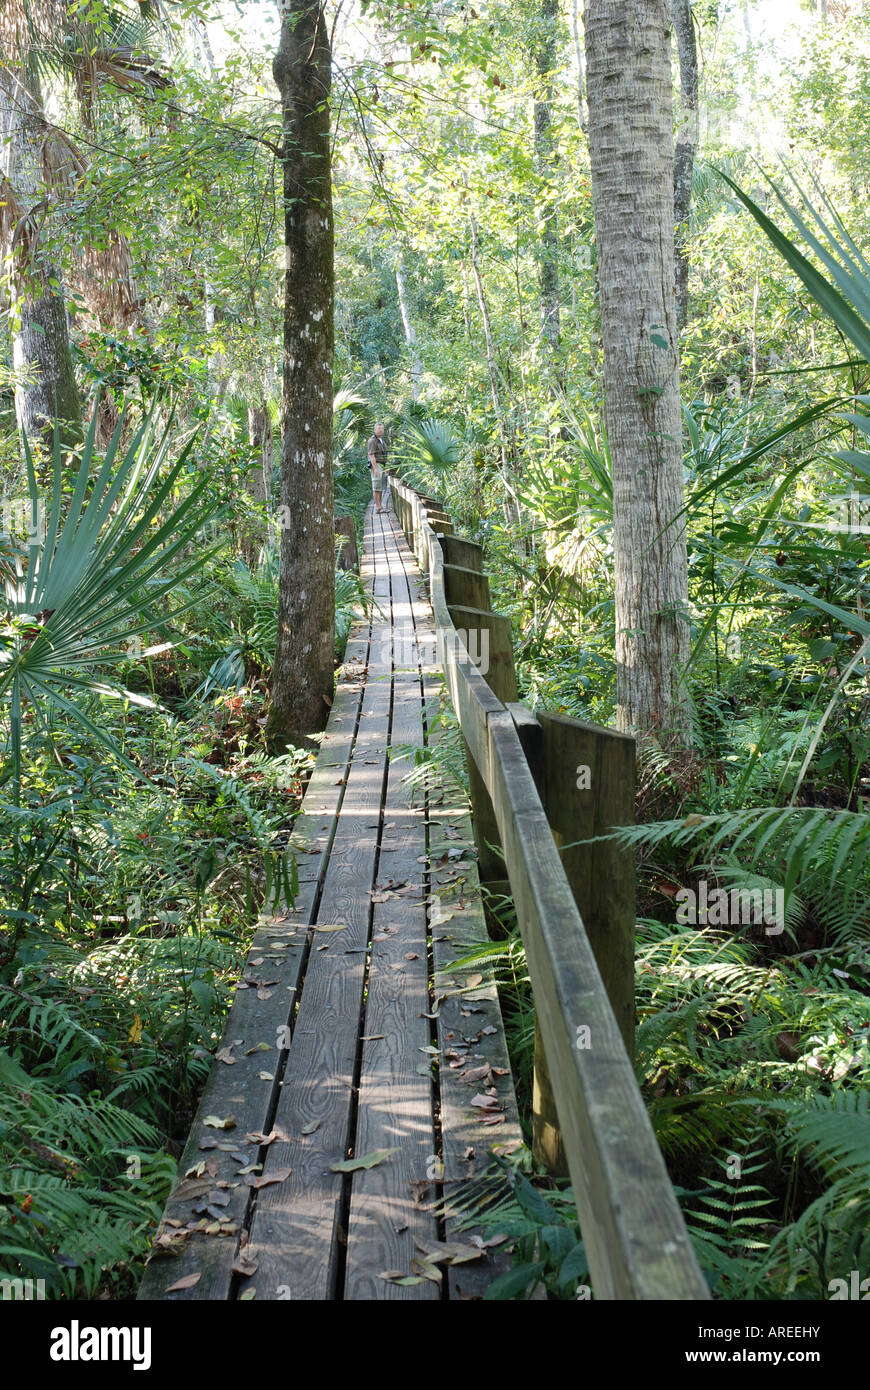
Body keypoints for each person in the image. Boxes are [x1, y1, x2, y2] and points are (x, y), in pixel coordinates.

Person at [367, 421, 389, 512]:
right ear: (374, 430)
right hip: (376, 465)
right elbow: (371, 455)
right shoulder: (372, 441)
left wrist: (386, 467)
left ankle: (380, 507)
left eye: (382, 428)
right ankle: (378, 507)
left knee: (380, 487)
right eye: (378, 428)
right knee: (376, 487)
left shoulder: (382, 441)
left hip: (382, 465)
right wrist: (375, 469)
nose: (380, 430)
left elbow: (385, 455)